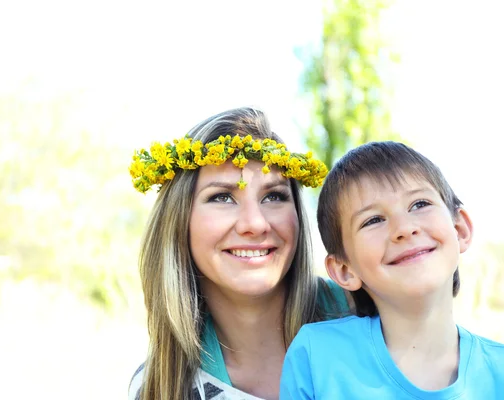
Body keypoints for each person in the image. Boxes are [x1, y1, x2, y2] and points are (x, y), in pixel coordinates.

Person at [280, 141, 504, 399]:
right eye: (374, 220)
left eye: (420, 204)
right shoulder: (317, 356)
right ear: (344, 269)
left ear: (460, 228)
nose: (404, 229)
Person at [127, 107, 349, 400]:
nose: (255, 224)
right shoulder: (160, 388)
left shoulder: (369, 311)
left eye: (274, 196)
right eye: (222, 197)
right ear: (178, 220)